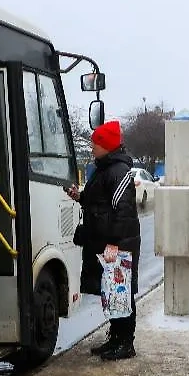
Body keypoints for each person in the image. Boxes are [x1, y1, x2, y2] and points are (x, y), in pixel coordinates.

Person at [65, 120, 141, 361]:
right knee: (111, 292)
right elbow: (99, 203)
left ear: (106, 145)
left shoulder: (118, 172)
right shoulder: (104, 168)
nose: (91, 147)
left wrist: (115, 244)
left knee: (122, 293)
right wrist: (81, 197)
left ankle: (126, 343)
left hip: (119, 245)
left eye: (95, 143)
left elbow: (123, 211)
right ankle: (116, 338)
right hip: (106, 243)